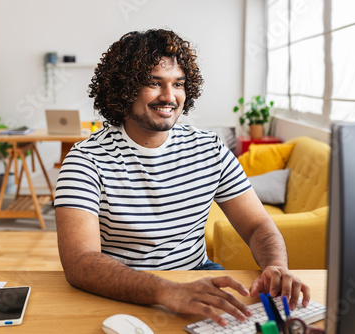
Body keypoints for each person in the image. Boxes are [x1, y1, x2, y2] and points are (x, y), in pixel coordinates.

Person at [54, 28, 310, 327]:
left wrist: (276, 266)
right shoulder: (86, 160)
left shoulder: (209, 148)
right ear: (123, 89)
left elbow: (257, 225)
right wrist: (167, 291)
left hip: (196, 276)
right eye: (154, 83)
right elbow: (80, 262)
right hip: (120, 290)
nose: (169, 96)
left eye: (178, 84)